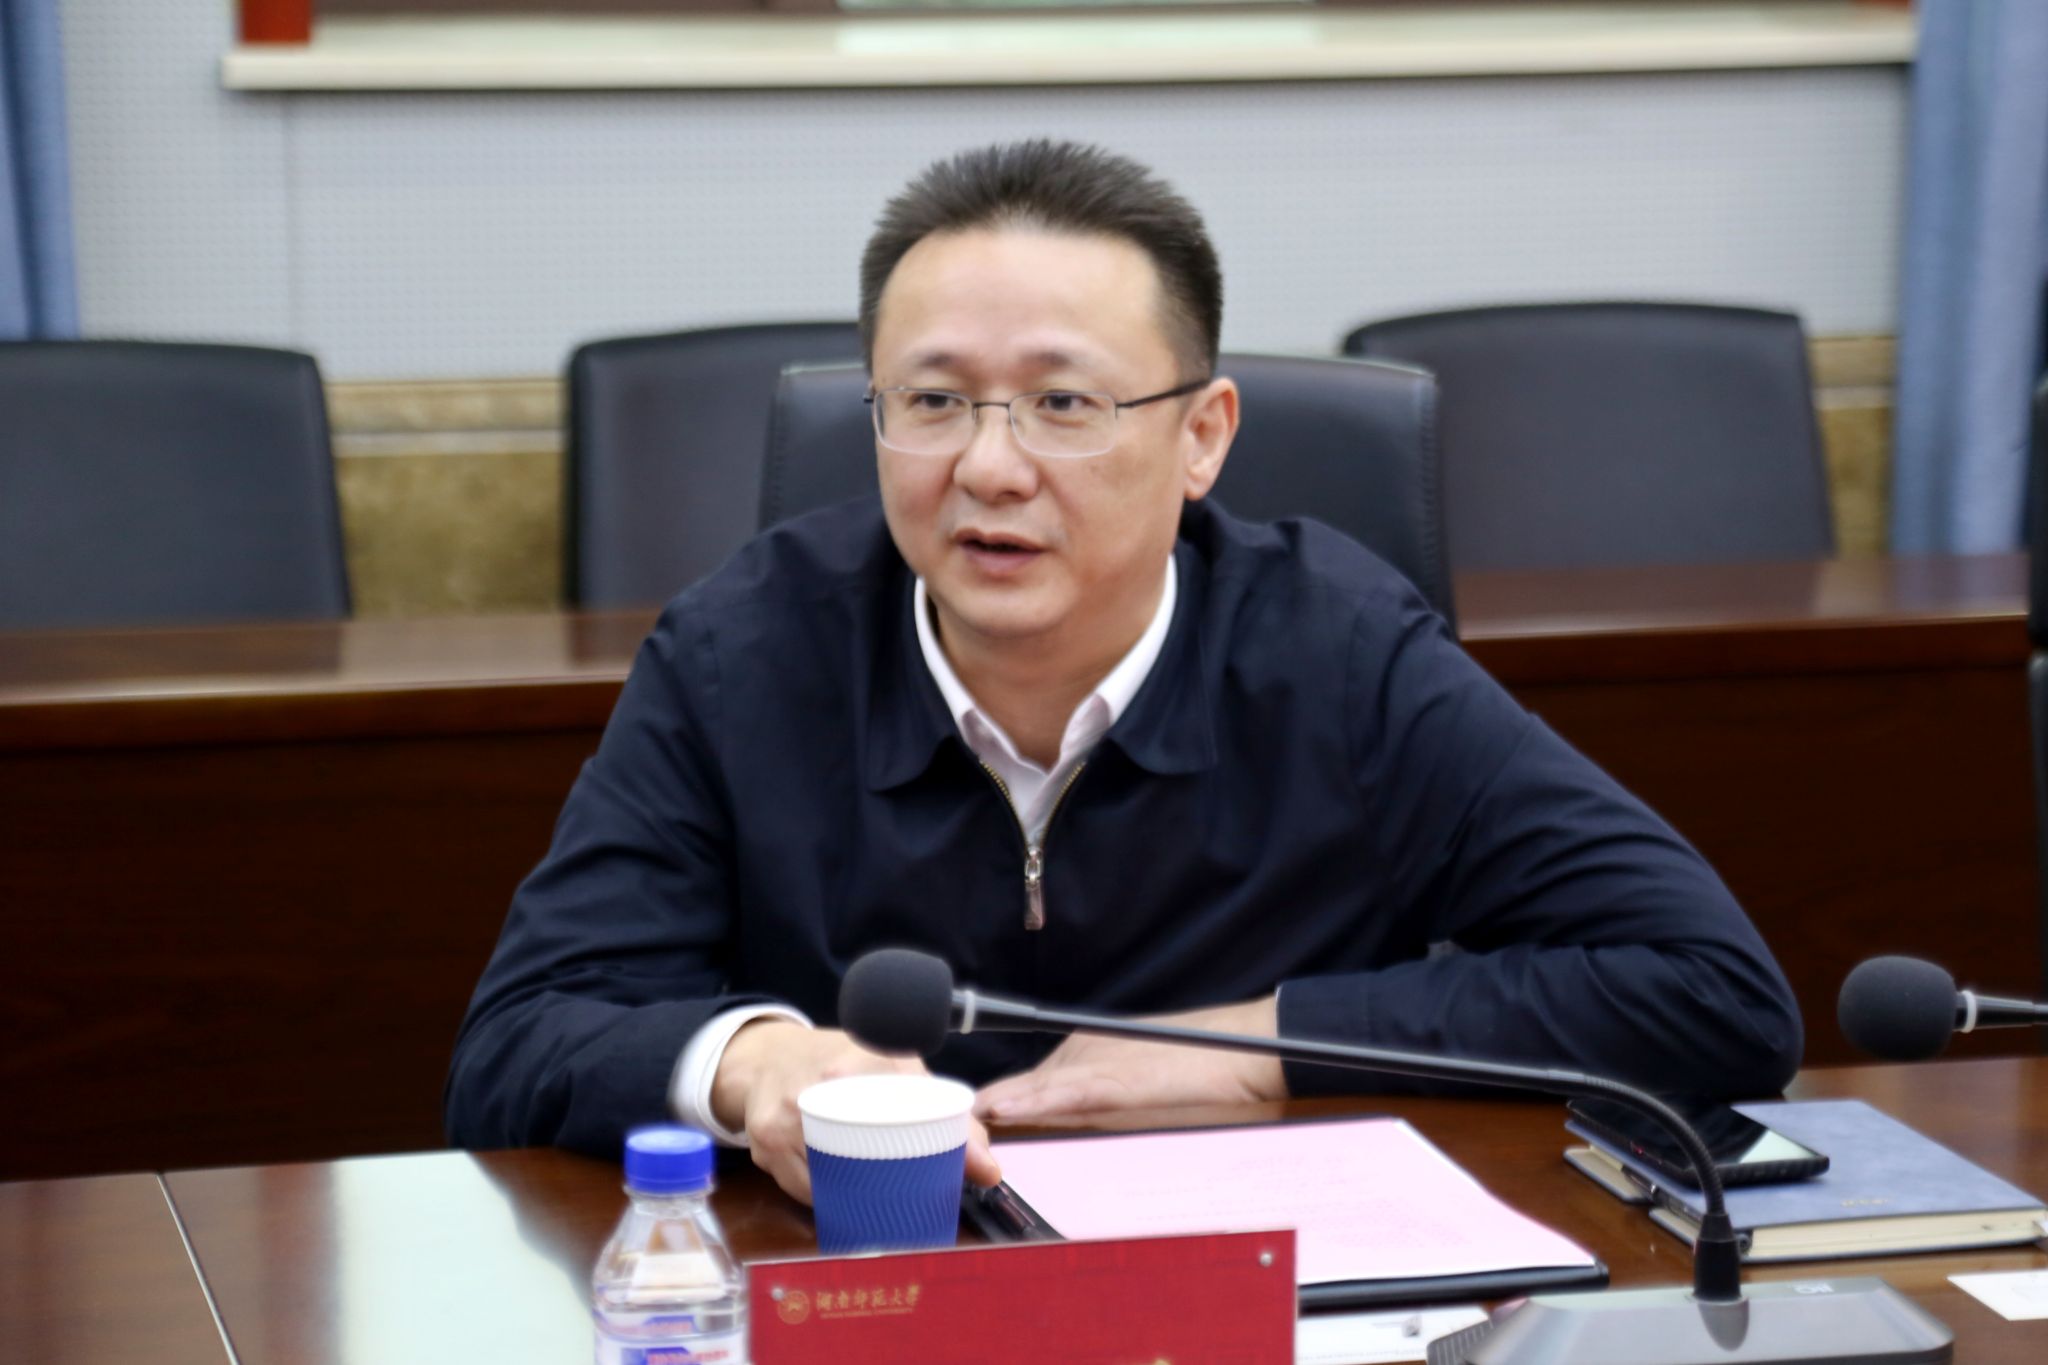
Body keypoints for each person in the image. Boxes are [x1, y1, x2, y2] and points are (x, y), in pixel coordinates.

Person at [446, 140, 1802, 1205]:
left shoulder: (1338, 654)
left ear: (1202, 437)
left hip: (1267, 1281)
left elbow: (1712, 991)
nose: (989, 466)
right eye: (932, 400)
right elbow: (512, 1047)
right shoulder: (741, 652)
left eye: (1063, 403)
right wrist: (753, 1064)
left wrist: (1264, 1051)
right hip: (866, 1280)